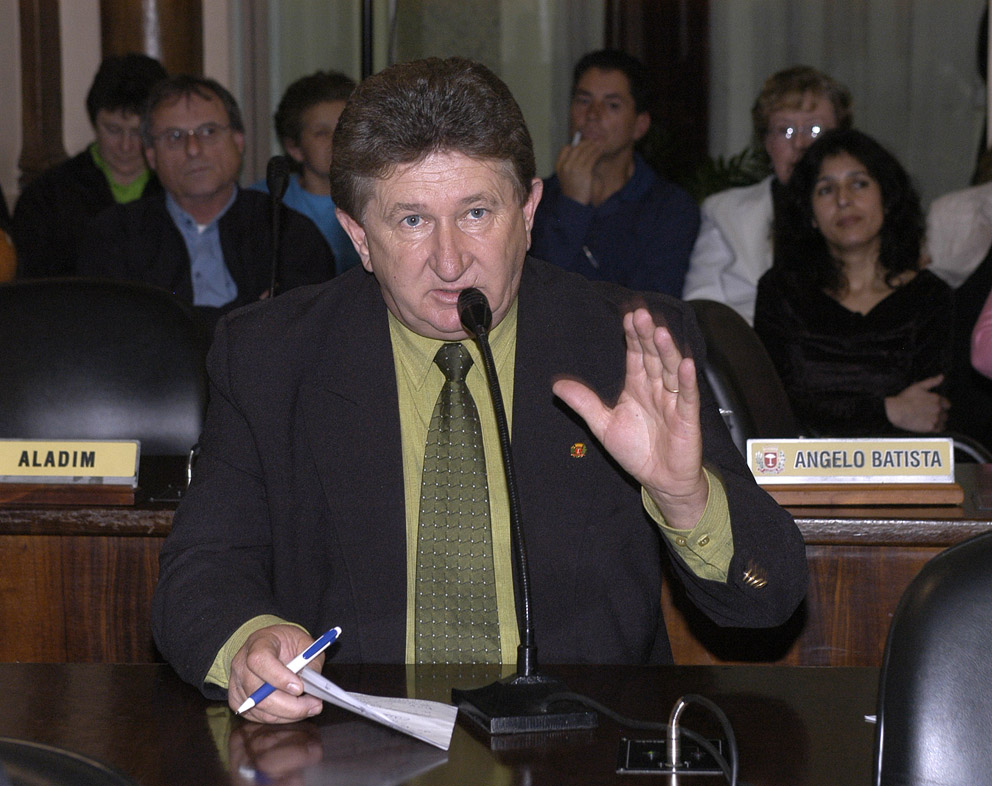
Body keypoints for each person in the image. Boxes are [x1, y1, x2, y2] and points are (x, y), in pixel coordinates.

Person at [152, 57, 807, 724]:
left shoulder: (626, 343)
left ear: (527, 209)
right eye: (411, 220)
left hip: (580, 744)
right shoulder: (270, 356)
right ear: (358, 236)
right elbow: (202, 570)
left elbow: (771, 597)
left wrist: (684, 495)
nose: (450, 259)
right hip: (352, 742)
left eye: (476, 212)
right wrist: (250, 643)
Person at [77, 75, 334, 336]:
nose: (193, 149)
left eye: (209, 131)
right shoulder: (114, 235)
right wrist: (248, 313)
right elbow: (113, 337)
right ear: (151, 155)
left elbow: (307, 337)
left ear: (238, 141)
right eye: (174, 136)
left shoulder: (288, 231)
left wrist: (169, 321)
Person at [754, 129, 952, 436]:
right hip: (797, 474)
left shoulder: (930, 297)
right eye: (825, 190)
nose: (844, 200)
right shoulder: (781, 292)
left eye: (859, 184)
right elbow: (772, 406)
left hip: (902, 475)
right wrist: (888, 410)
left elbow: (928, 411)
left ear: (886, 199)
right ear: (810, 216)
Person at [683, 66, 852, 324]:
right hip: (751, 355)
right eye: (785, 130)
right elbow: (703, 309)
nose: (800, 144)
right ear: (765, 142)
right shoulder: (725, 212)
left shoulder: (865, 210)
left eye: (814, 130)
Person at [529, 49, 699, 297]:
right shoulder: (536, 199)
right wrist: (571, 204)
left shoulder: (669, 207)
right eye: (583, 100)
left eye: (612, 105)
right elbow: (537, 293)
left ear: (640, 125)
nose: (592, 115)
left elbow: (651, 304)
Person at [12, 53, 168, 278]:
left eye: (138, 132)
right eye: (113, 130)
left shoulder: (178, 189)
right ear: (94, 122)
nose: (126, 146)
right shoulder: (47, 197)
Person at [250, 71, 360, 275]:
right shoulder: (266, 200)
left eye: (345, 128)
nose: (337, 140)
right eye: (321, 133)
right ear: (295, 149)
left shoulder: (377, 195)